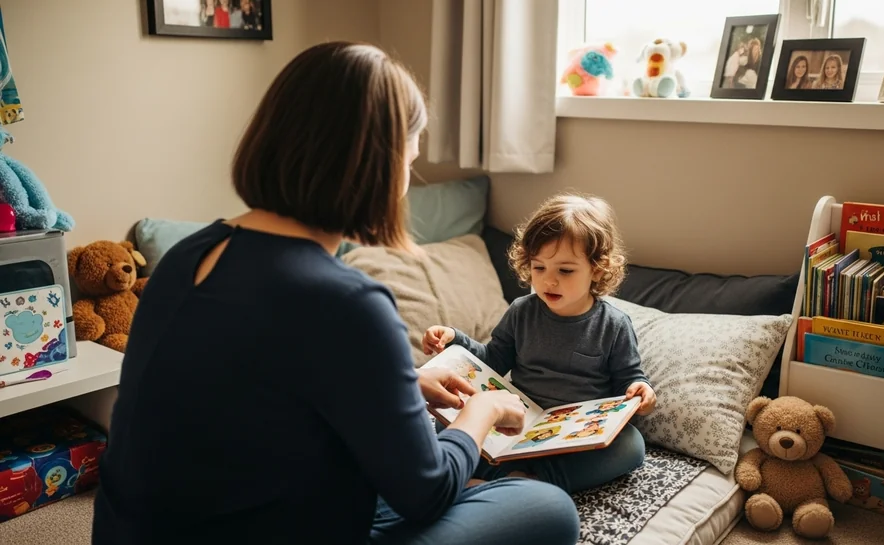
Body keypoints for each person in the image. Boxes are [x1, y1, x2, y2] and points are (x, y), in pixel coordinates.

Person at [90, 42, 580, 545]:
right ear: (377, 168)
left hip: (133, 531)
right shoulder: (346, 301)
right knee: (545, 508)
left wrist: (403, 383)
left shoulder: (190, 254)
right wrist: (485, 411)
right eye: (408, 164)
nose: (406, 183)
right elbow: (425, 492)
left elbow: (246, 396)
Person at [423, 194, 657, 494]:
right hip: (518, 425)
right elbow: (491, 361)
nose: (549, 281)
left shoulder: (613, 325)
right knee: (449, 420)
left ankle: (527, 481)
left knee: (631, 446)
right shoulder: (522, 311)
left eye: (565, 270)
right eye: (539, 268)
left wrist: (641, 391)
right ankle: (508, 476)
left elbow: (629, 380)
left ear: (596, 270)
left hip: (575, 437)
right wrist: (456, 339)